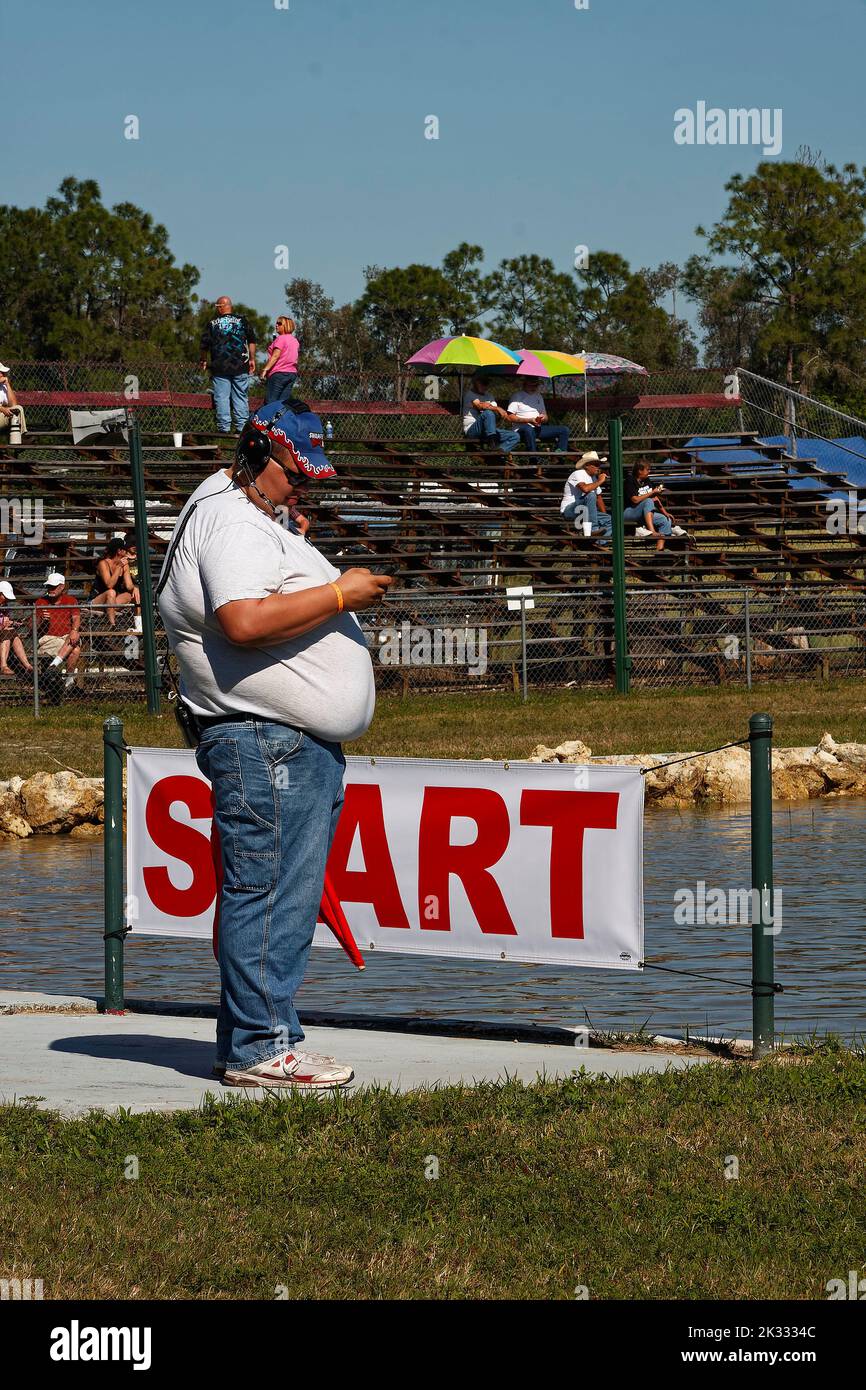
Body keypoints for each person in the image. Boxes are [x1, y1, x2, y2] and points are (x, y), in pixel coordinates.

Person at [158, 400, 394, 1090]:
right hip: (265, 743)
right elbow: (243, 619)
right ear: (262, 457)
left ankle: (270, 1036)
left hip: (280, 742)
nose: (306, 485)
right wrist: (340, 594)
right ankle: (259, 1047)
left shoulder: (238, 509)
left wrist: (290, 539)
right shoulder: (231, 518)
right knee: (265, 891)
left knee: (283, 893)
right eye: (296, 473)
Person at [199, 296, 257, 435]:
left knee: (221, 397)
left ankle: (224, 428)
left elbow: (204, 345)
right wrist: (252, 359)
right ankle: (242, 426)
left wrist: (204, 359)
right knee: (241, 396)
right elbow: (252, 341)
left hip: (220, 366)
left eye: (217, 306)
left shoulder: (212, 323)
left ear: (221, 307)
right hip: (240, 365)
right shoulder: (243, 321)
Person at [625, 460, 687, 553]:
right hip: (629, 512)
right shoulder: (630, 481)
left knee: (665, 520)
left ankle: (659, 551)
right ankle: (652, 531)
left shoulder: (646, 480)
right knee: (648, 501)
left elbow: (655, 498)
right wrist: (652, 492)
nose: (649, 471)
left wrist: (665, 513)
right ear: (639, 471)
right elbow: (635, 500)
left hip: (644, 513)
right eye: (647, 469)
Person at [35, 573, 81, 688]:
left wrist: (75, 630)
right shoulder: (40, 602)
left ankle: (54, 666)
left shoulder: (71, 600)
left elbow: (76, 618)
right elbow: (32, 626)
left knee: (75, 636)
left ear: (62, 587)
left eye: (53, 586)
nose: (50, 589)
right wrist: (41, 619)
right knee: (75, 650)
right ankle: (68, 679)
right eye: (49, 586)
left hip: (66, 637)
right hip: (48, 639)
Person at [507, 377, 570, 454]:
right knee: (528, 429)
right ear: (525, 384)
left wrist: (543, 418)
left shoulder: (538, 396)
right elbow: (510, 417)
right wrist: (529, 420)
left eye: (536, 385)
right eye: (531, 385)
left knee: (564, 430)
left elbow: (545, 416)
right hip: (521, 429)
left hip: (537, 428)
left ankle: (559, 453)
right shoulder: (517, 396)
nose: (534, 387)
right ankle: (533, 457)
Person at [461, 375, 520, 455]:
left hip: (488, 431)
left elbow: (497, 412)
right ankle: (492, 445)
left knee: (515, 436)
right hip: (472, 430)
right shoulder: (469, 395)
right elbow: (480, 406)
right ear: (476, 382)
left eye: (487, 383)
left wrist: (501, 414)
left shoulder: (489, 396)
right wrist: (497, 409)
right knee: (488, 413)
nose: (485, 386)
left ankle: (497, 453)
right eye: (483, 383)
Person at [561, 451, 612, 540]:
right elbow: (585, 489)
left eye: (599, 465)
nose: (598, 467)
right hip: (570, 510)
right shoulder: (578, 473)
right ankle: (593, 529)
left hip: (586, 512)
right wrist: (600, 481)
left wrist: (603, 515)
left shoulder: (593, 478)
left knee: (610, 520)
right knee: (591, 495)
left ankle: (598, 542)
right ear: (586, 465)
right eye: (596, 464)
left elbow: (599, 498)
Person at [90, 538, 133, 627]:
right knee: (111, 592)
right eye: (125, 550)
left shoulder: (125, 565)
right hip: (97, 601)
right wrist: (118, 567)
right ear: (119, 551)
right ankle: (113, 625)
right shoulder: (103, 563)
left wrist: (135, 589)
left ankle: (139, 625)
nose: (127, 552)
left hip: (112, 602)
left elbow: (129, 586)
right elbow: (109, 585)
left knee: (130, 595)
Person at [261, 315, 300, 404]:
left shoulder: (281, 339)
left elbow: (275, 356)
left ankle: (269, 417)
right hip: (292, 374)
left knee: (271, 402)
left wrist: (265, 370)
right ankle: (280, 418)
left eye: (279, 323)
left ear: (286, 325)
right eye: (276, 323)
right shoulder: (295, 341)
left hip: (278, 374)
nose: (276, 325)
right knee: (282, 403)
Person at [0, 580, 33, 678]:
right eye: (4, 597)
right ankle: (3, 666)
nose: (6, 600)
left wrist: (11, 623)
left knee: (12, 633)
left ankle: (27, 664)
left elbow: (5, 621)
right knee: (7, 632)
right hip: (2, 632)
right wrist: (2, 625)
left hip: (2, 632)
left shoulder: (4, 606)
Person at [122, 530, 143, 632]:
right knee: (136, 596)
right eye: (132, 544)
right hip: (127, 587)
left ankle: (140, 625)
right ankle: (138, 626)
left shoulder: (140, 557)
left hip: (139, 586)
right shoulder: (123, 558)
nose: (135, 546)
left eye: (136, 544)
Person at [0, 362, 26, 440]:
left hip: (1, 416)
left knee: (18, 408)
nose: (2, 374)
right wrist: (2, 409)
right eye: (0, 372)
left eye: (3, 372)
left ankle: (20, 438)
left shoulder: (3, 387)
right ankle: (23, 438)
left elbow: (13, 404)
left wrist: (7, 384)